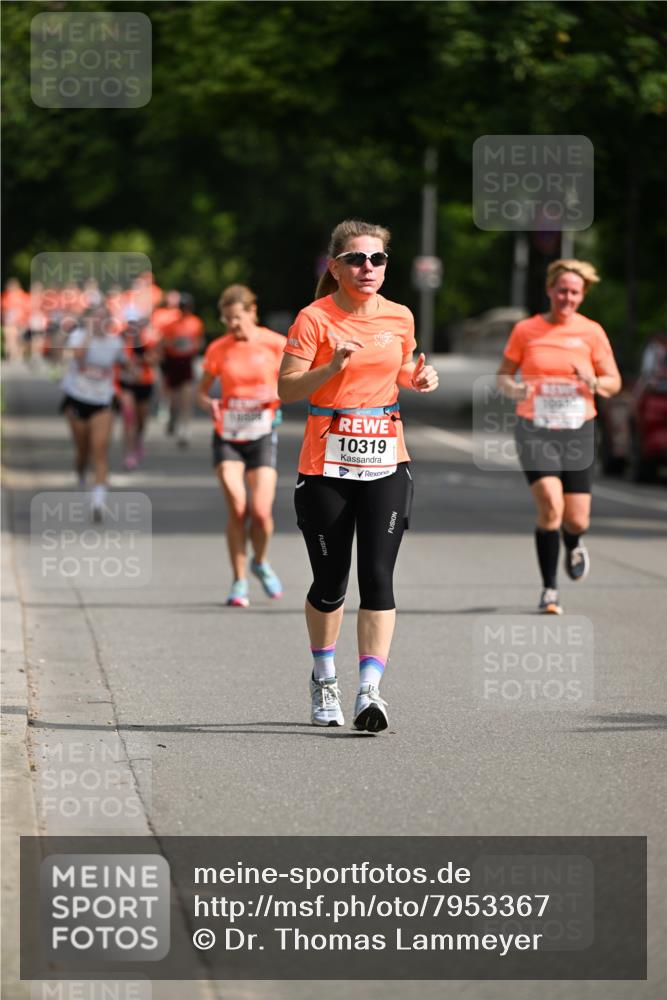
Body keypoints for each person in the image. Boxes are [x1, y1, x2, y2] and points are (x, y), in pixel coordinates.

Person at [278, 220, 438, 732]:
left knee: (378, 577)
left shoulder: (400, 315)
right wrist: (331, 368)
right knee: (330, 582)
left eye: (377, 259)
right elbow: (286, 389)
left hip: (386, 460)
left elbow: (402, 367)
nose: (368, 267)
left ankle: (370, 691)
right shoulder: (314, 319)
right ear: (335, 266)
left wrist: (419, 377)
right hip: (325, 464)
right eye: (356, 259)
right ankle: (324, 676)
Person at [496, 258, 622, 615]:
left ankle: (574, 541)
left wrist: (592, 381)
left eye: (575, 292)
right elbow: (503, 375)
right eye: (562, 290)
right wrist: (514, 389)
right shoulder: (526, 330)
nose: (568, 297)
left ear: (582, 296)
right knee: (551, 505)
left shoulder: (592, 332)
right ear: (550, 290)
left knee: (577, 519)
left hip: (578, 430)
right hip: (534, 427)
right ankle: (550, 590)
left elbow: (614, 382)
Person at [197, 284, 285, 607]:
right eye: (227, 319)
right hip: (228, 434)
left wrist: (278, 395)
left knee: (260, 513)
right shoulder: (219, 348)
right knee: (237, 507)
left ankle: (259, 562)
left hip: (262, 433)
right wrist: (209, 403)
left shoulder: (276, 344)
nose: (232, 325)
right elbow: (201, 391)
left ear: (252, 312)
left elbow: (295, 382)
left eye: (237, 318)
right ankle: (239, 581)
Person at [60, 305, 129, 520]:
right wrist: (89, 334)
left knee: (99, 449)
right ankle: (81, 477)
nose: (99, 322)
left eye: (103, 318)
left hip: (103, 401)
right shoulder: (78, 337)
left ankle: (98, 501)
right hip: (77, 398)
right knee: (82, 450)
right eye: (95, 318)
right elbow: (79, 356)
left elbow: (126, 364)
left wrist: (133, 370)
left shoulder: (115, 342)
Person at [160, 293, 204, 446]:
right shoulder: (171, 325)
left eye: (187, 307)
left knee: (186, 395)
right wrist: (174, 343)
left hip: (186, 361)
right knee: (174, 397)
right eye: (182, 307)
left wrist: (192, 347)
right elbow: (164, 343)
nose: (185, 310)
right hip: (173, 361)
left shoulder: (196, 323)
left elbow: (198, 342)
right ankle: (173, 416)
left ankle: (185, 428)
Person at [116, 316, 160, 469]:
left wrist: (141, 360)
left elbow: (155, 359)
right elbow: (116, 360)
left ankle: (138, 441)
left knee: (141, 421)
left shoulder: (149, 340)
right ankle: (128, 453)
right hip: (126, 384)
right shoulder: (121, 340)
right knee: (129, 418)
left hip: (145, 383)